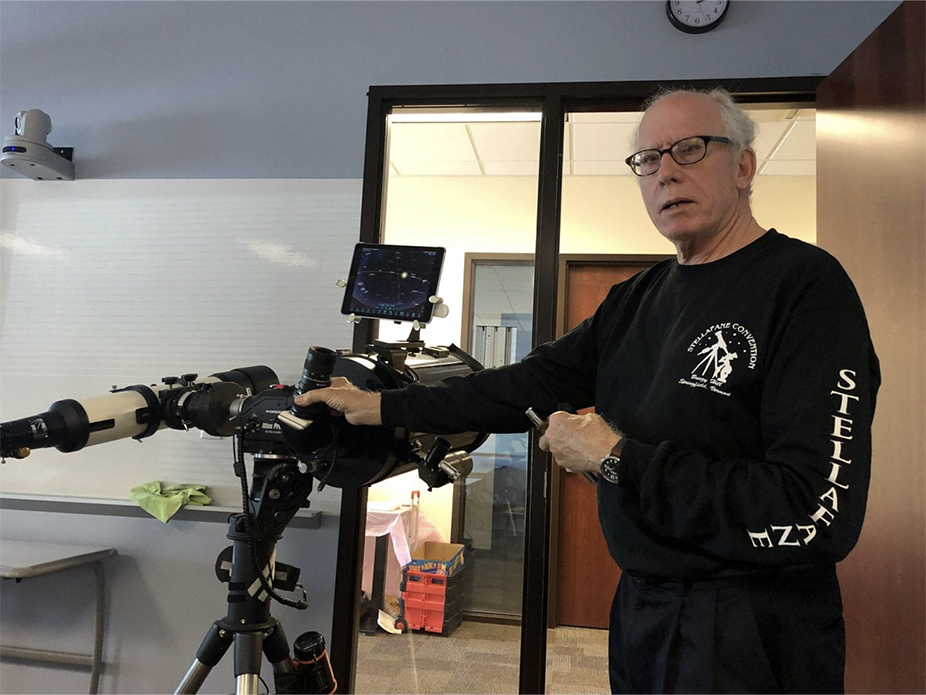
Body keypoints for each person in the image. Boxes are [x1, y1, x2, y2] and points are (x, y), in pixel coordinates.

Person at [298, 88, 880, 694]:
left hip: (753, 625)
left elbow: (816, 513)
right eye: (649, 160)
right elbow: (520, 386)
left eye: (690, 148)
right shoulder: (635, 300)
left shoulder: (806, 287)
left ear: (743, 166)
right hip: (642, 609)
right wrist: (384, 405)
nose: (667, 172)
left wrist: (616, 458)